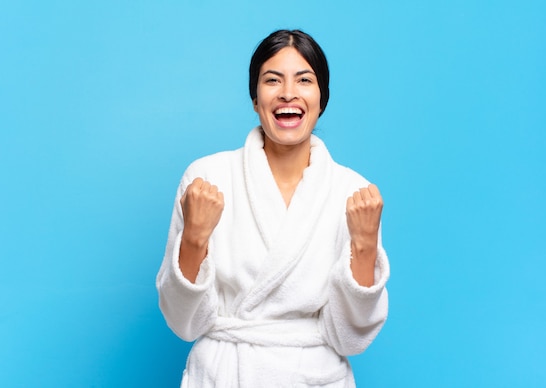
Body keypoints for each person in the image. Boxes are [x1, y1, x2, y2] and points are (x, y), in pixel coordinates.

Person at [156, 29, 390, 387]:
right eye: (272, 80)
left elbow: (350, 339)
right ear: (254, 98)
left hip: (314, 377)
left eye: (304, 80)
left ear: (322, 98)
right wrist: (194, 240)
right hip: (226, 374)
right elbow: (184, 324)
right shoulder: (206, 179)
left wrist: (365, 246)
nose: (288, 93)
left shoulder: (353, 193)